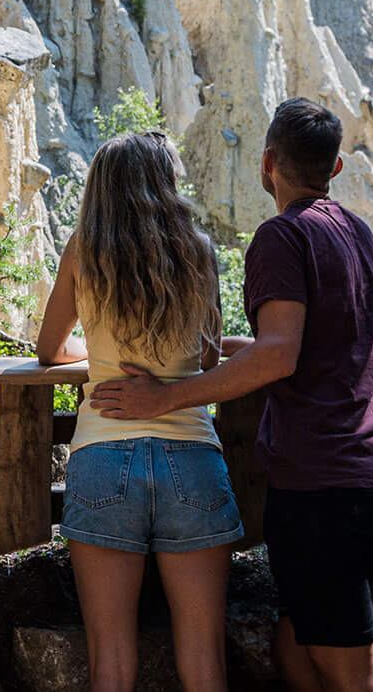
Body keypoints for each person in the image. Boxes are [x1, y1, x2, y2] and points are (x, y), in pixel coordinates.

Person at [90, 98, 373, 692]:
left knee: (349, 669)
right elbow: (318, 338)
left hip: (321, 485)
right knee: (296, 645)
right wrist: (235, 344)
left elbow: (280, 353)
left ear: (266, 163)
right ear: (334, 170)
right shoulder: (359, 235)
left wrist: (167, 396)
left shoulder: (283, 236)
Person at [34, 129, 242, 692]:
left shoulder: (83, 249)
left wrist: (99, 352)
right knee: (203, 657)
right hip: (192, 455)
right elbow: (205, 353)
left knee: (111, 661)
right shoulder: (196, 249)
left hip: (104, 451)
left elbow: (49, 350)